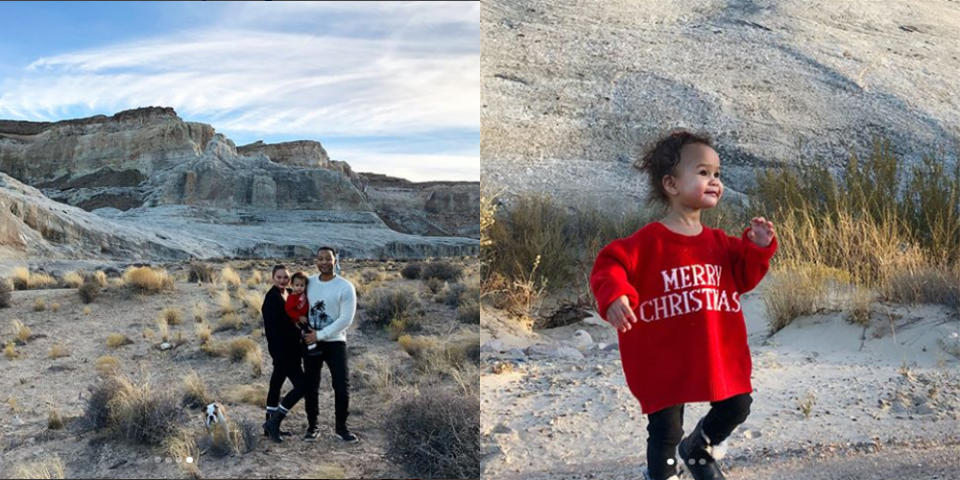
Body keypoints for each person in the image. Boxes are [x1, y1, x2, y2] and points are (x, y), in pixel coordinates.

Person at [590, 131, 777, 480]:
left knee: (737, 404)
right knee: (665, 428)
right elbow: (609, 264)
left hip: (713, 350)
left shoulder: (721, 243)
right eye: (703, 172)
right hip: (664, 354)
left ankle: (699, 448)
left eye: (717, 174)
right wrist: (615, 295)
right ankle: (661, 474)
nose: (714, 181)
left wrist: (757, 248)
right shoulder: (647, 242)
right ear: (672, 184)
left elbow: (745, 277)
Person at [301, 246, 359, 443]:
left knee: (341, 385)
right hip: (311, 342)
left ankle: (341, 428)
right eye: (320, 259)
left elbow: (346, 320)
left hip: (335, 342)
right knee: (311, 385)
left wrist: (321, 334)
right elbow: (297, 305)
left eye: (328, 259)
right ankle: (312, 426)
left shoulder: (345, 287)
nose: (324, 262)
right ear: (316, 261)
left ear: (335, 261)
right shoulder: (308, 283)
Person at [261, 265, 307, 443]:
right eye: (279, 277)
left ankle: (269, 425)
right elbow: (275, 331)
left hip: (292, 350)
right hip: (283, 352)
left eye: (285, 277)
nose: (282, 280)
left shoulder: (289, 292)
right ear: (273, 278)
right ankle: (274, 422)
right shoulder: (271, 299)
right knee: (303, 386)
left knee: (275, 386)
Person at [285, 271, 318, 353]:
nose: (299, 288)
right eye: (297, 285)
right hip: (298, 319)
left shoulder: (303, 293)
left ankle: (313, 345)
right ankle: (310, 348)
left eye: (302, 285)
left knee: (313, 328)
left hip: (306, 316)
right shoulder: (292, 298)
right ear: (292, 285)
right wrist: (298, 317)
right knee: (307, 332)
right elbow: (288, 310)